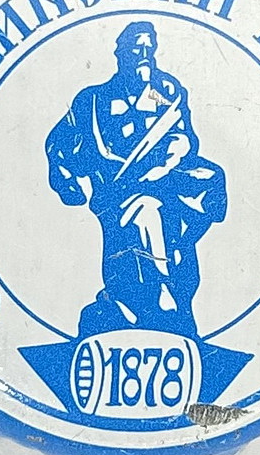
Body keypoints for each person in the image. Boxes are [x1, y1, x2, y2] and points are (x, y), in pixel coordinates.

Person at [45, 22, 227, 338]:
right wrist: (64, 179)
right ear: (120, 53)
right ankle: (160, 295)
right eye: (136, 48)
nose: (144, 54)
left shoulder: (166, 91)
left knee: (211, 182)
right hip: (116, 189)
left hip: (165, 181)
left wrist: (170, 157)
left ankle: (173, 281)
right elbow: (57, 142)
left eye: (149, 48)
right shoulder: (93, 100)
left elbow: (185, 137)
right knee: (146, 211)